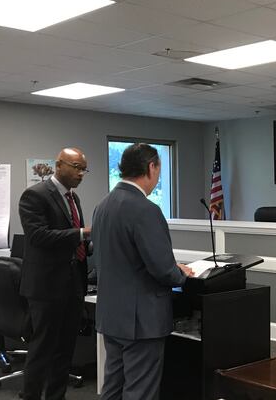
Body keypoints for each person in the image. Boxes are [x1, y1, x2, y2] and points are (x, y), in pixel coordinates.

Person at [93, 143, 194, 400]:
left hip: (111, 315)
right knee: (140, 390)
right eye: (158, 169)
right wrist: (179, 273)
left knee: (113, 386)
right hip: (141, 321)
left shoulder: (102, 206)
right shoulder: (146, 209)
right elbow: (161, 269)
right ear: (151, 167)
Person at [18, 148, 91, 400]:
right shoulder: (35, 195)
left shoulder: (74, 198)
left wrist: (88, 243)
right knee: (42, 350)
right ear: (59, 166)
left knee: (65, 350)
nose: (81, 173)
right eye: (76, 167)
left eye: (84, 169)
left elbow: (70, 240)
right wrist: (82, 234)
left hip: (72, 284)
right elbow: (38, 236)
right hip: (46, 287)